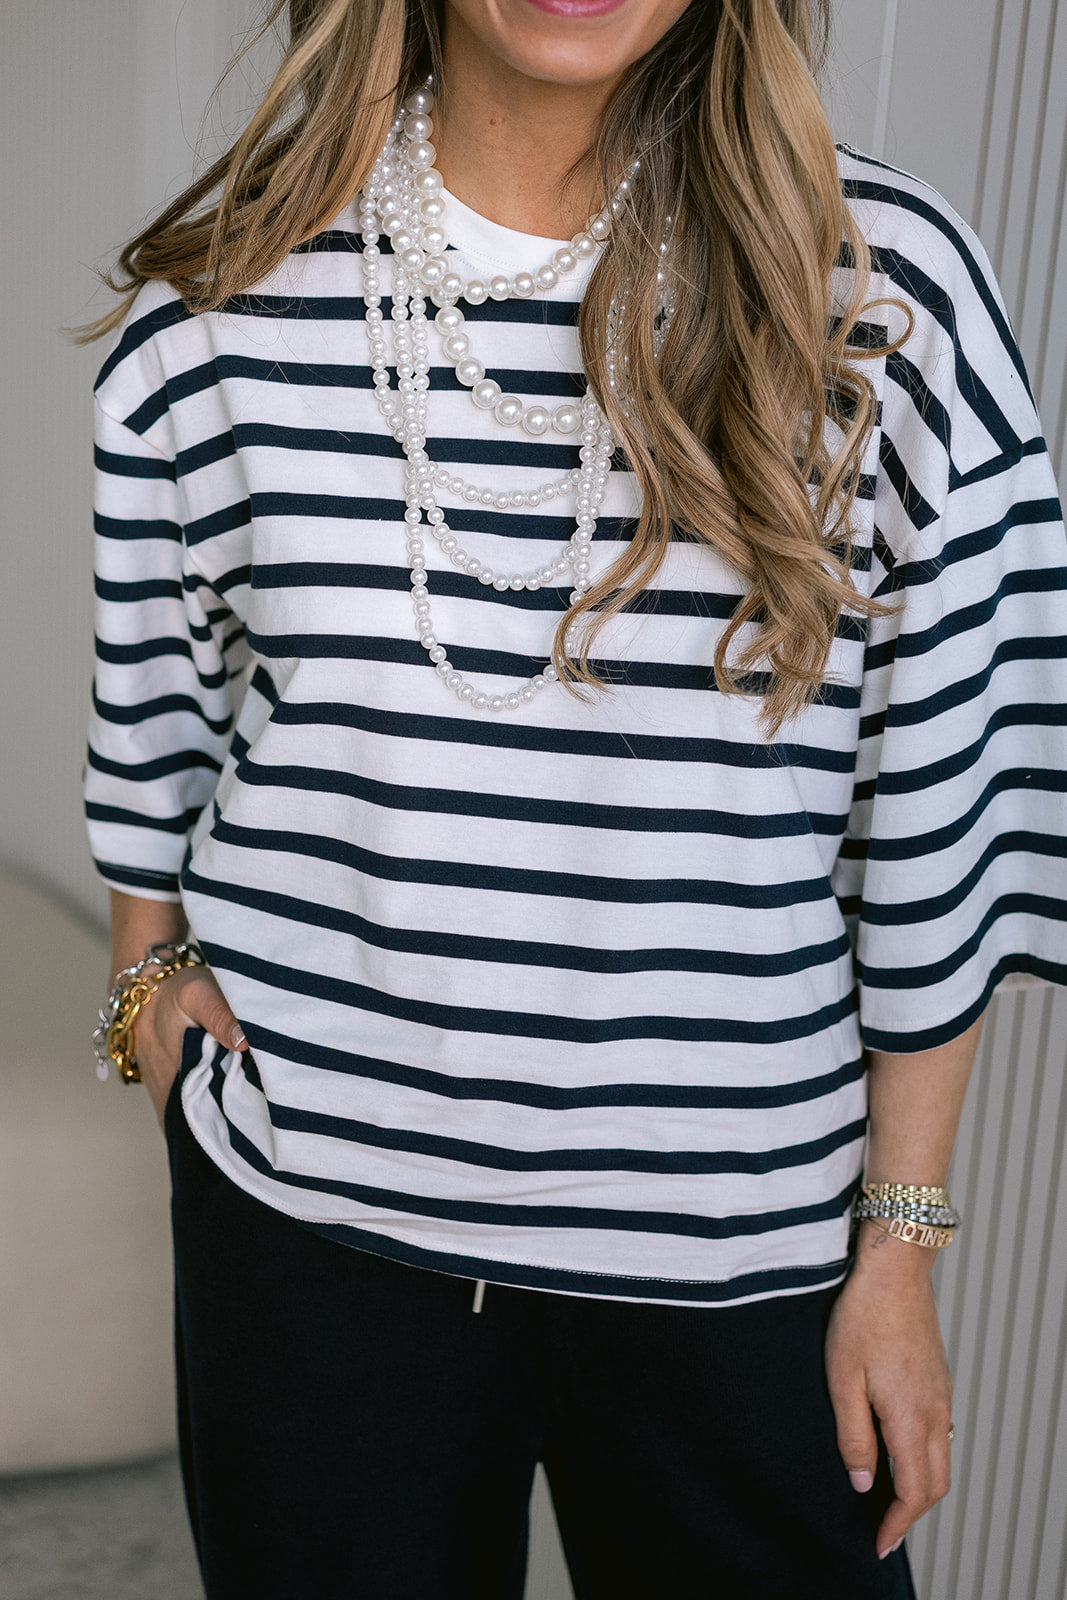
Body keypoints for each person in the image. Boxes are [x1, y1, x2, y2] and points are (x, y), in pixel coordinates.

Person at [78, 1, 1067, 1596]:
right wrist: (149, 998)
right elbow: (153, 722)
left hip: (744, 1254)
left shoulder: (889, 289)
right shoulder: (218, 303)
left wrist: (900, 1237)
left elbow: (950, 796)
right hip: (314, 1234)